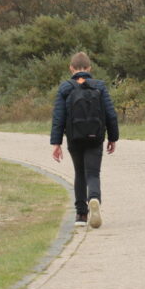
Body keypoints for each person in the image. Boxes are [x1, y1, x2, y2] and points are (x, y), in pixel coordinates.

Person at [50, 52, 120, 228]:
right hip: (95, 137)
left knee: (79, 173)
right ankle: (94, 198)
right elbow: (111, 115)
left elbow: (58, 117)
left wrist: (56, 143)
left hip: (74, 137)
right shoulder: (99, 86)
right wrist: (113, 138)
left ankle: (81, 215)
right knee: (93, 173)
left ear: (71, 68)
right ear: (89, 68)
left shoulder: (65, 88)